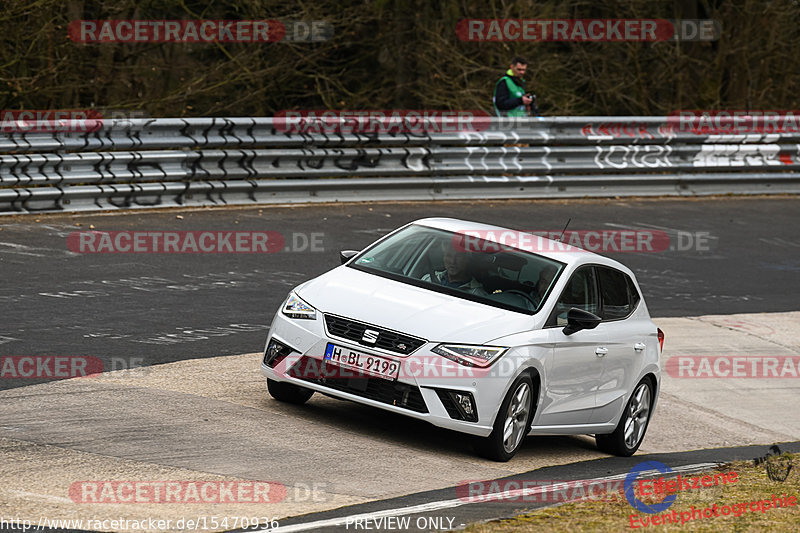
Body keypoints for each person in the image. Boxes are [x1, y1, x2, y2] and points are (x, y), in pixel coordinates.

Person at [423, 244, 488, 296]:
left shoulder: (476, 294)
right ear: (443, 258)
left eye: (458, 256)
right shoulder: (428, 279)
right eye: (449, 256)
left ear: (467, 259)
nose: (452, 261)